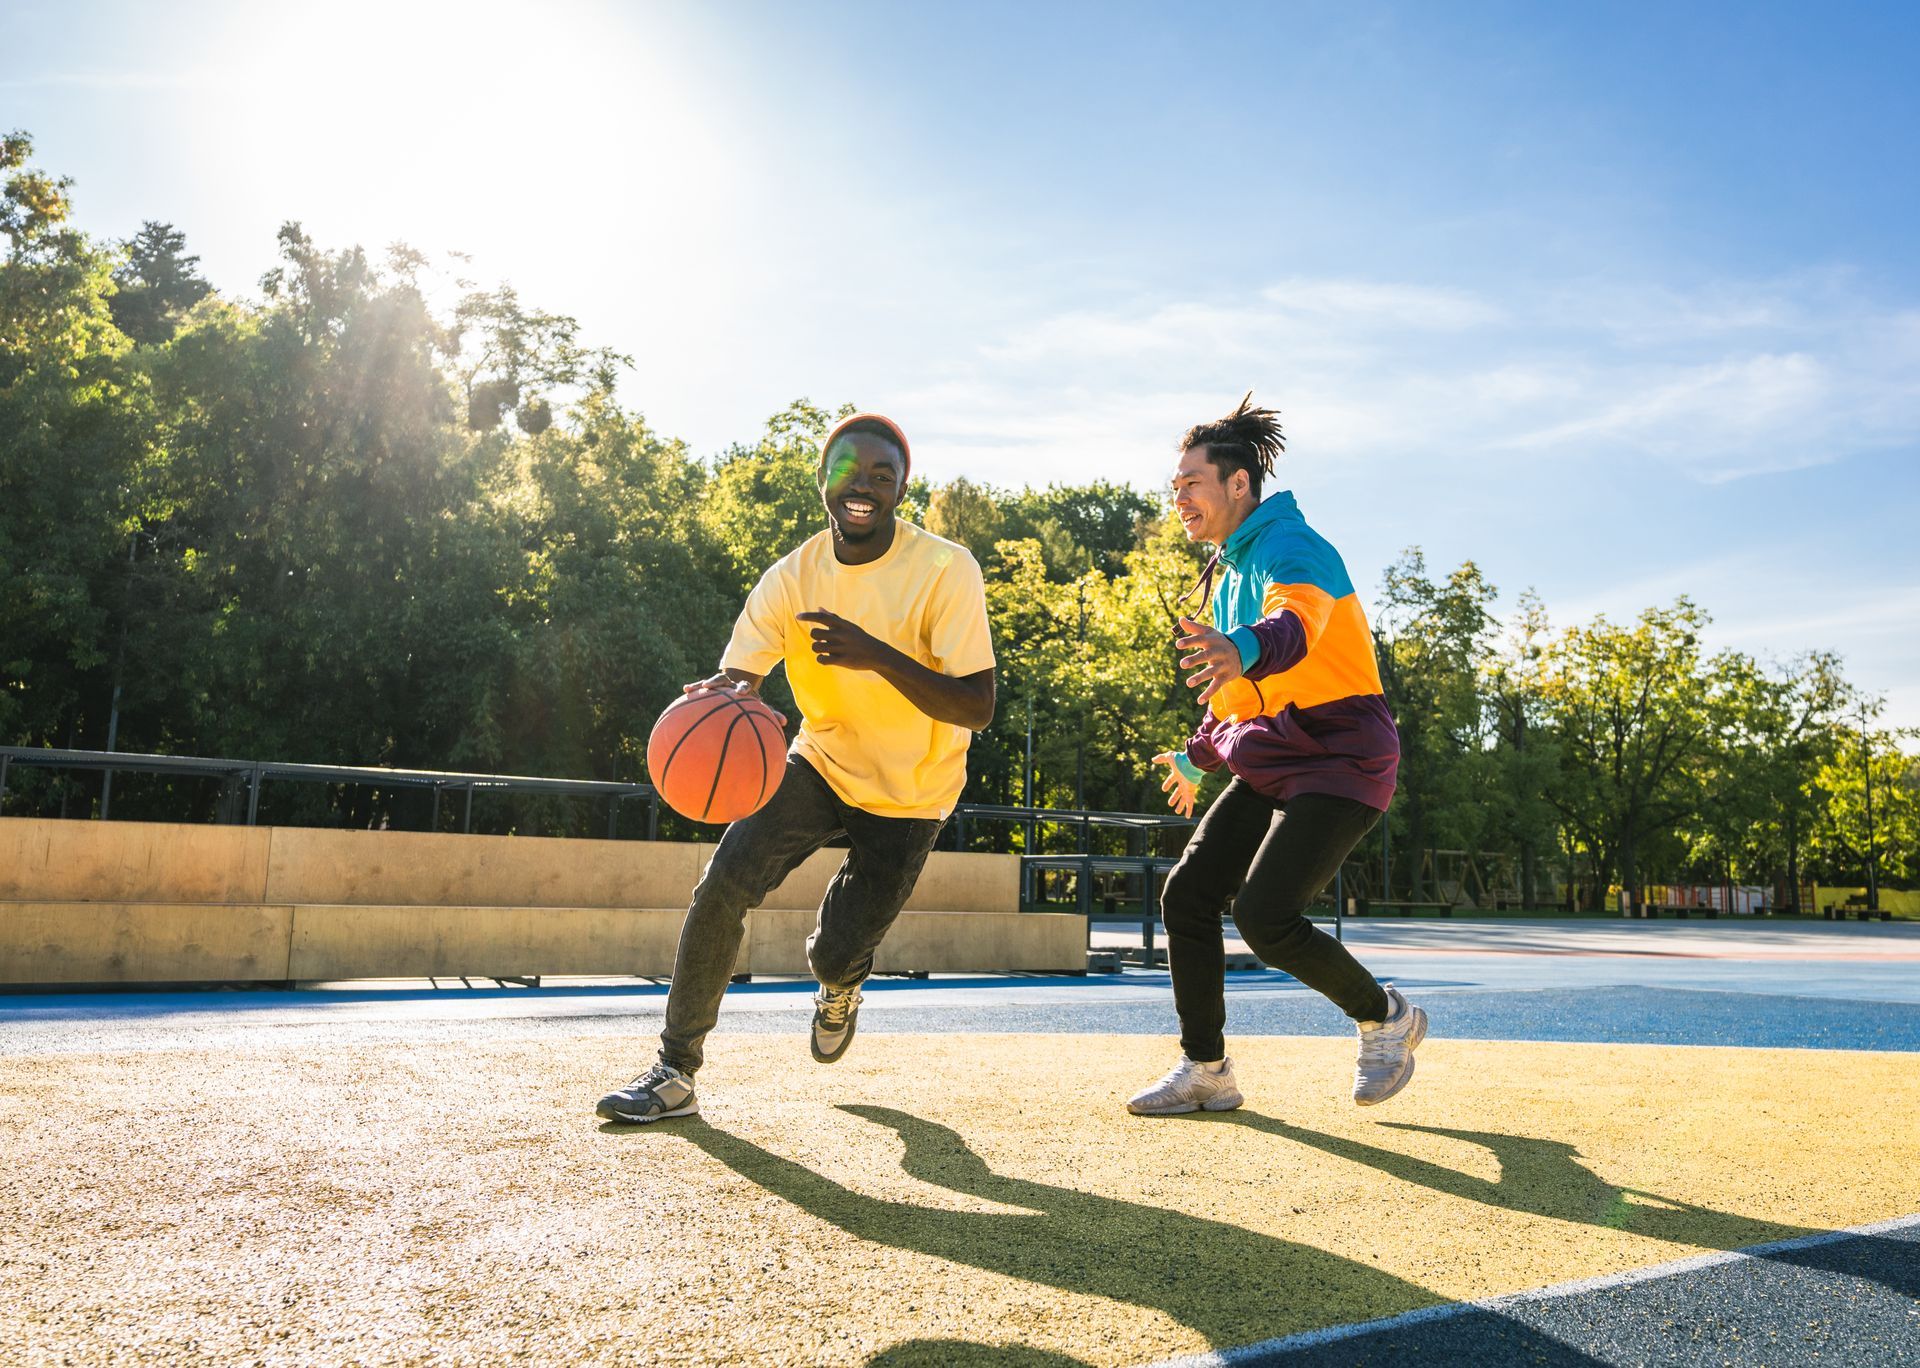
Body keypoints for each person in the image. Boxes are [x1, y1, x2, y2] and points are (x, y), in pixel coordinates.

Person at [597, 413, 996, 1124]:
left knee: (836, 954)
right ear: (823, 481)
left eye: (883, 474)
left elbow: (977, 705)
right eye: (850, 472)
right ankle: (674, 1070)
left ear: (902, 488)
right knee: (723, 885)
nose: (864, 486)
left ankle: (840, 983)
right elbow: (740, 675)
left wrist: (876, 652)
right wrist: (724, 694)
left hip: (914, 790)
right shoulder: (794, 576)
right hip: (822, 758)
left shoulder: (945, 567)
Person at [1128, 395, 1425, 1116]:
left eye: (1191, 482)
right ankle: (1207, 1070)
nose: (1179, 498)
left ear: (1237, 485)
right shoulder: (1229, 568)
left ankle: (1386, 1019)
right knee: (1188, 896)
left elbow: (1292, 623)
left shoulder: (1293, 546)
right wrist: (1199, 756)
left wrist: (1245, 646)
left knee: (1266, 914)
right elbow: (1237, 695)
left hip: (1342, 755)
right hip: (1274, 756)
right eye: (1174, 487)